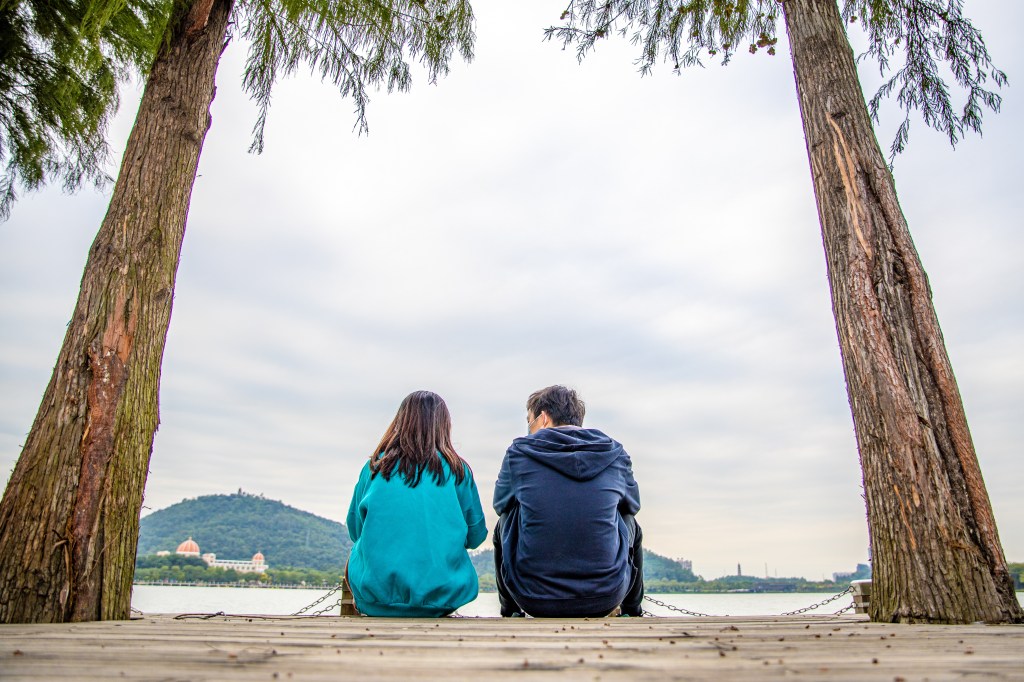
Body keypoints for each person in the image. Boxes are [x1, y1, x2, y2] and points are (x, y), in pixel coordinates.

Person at [493, 385, 644, 618]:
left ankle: (510, 611)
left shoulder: (519, 453)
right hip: (606, 596)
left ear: (543, 418)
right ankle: (632, 611)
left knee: (506, 519)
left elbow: (500, 505)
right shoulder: (616, 454)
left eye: (529, 421)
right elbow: (632, 506)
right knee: (628, 520)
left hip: (532, 597)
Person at [346, 390, 487, 617]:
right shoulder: (459, 470)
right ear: (444, 425)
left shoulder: (374, 467)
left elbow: (355, 529)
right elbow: (476, 536)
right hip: (441, 600)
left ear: (400, 421)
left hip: (375, 598)